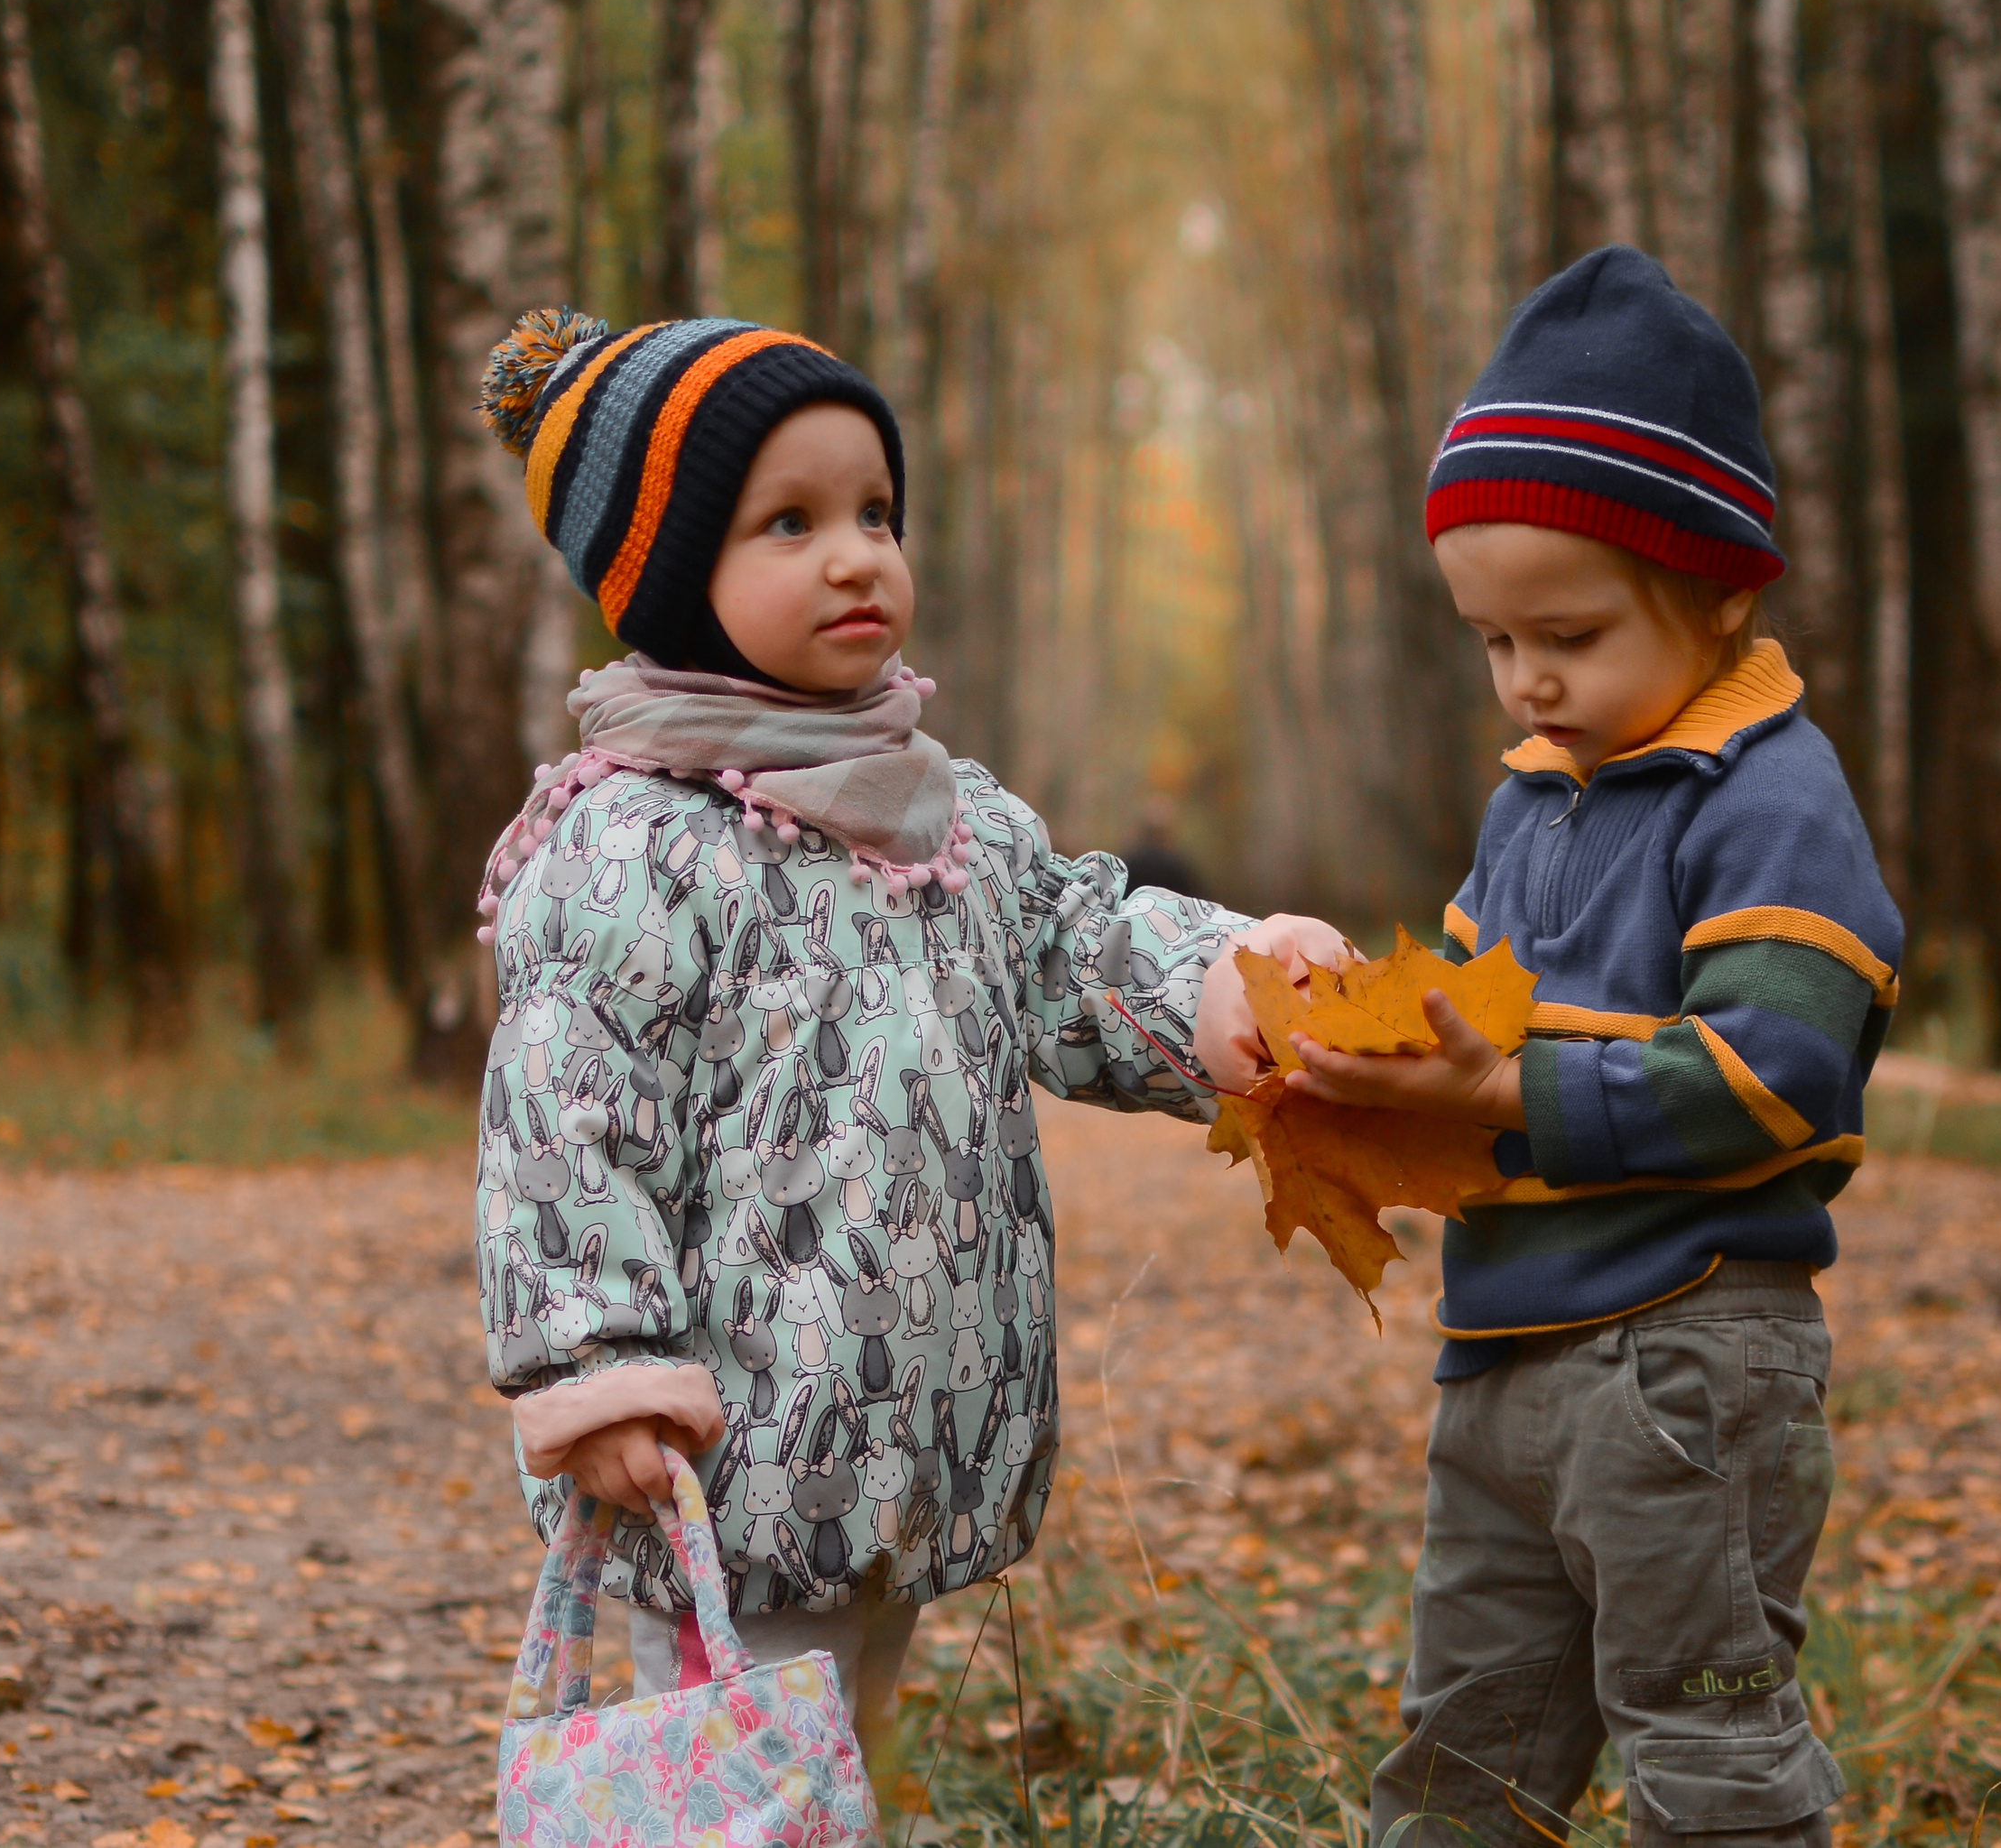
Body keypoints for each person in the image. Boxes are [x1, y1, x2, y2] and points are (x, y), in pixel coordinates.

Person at [468, 309, 1344, 1767]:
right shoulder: (631, 846)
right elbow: (567, 1118)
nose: (857, 552)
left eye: (875, 510)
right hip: (725, 1461)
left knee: (853, 1739)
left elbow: (1075, 945)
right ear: (676, 577)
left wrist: (1229, 980)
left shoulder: (949, 816)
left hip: (906, 1427)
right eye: (790, 521)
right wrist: (600, 1363)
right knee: (742, 1767)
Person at [1215, 249, 1902, 1848]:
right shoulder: (1531, 795)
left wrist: (1514, 1092)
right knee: (1468, 1749)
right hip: (1504, 1360)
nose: (1528, 679)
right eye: (1491, 638)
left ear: (1723, 589)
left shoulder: (1769, 795)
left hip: (1688, 1355)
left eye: (1571, 633)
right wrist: (1351, 1082)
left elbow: (1784, 1068)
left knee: (1704, 1745)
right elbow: (1466, 1039)